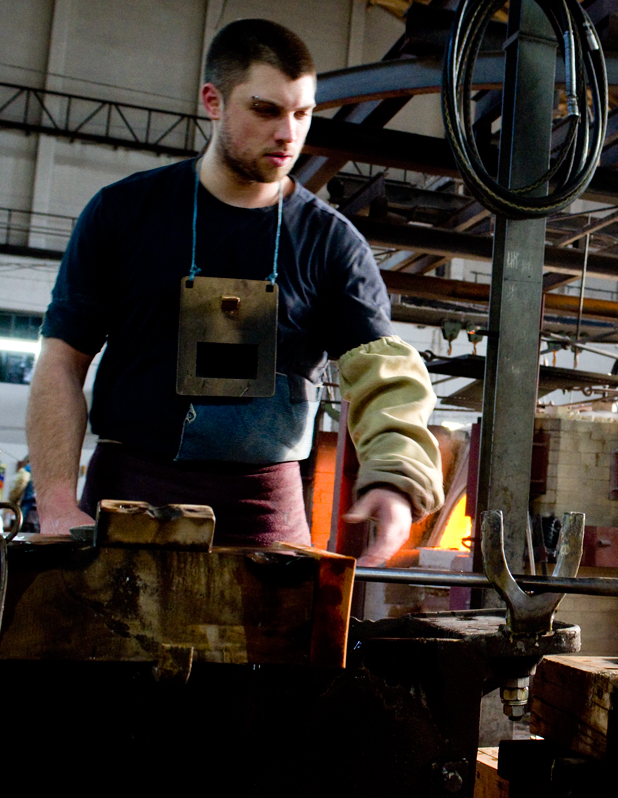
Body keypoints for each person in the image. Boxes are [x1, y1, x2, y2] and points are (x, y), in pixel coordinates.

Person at [26, 19, 443, 564]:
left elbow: (383, 373)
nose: (289, 134)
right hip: (130, 501)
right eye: (266, 110)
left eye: (303, 113)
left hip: (264, 514)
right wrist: (56, 502)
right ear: (213, 101)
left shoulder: (332, 243)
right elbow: (61, 360)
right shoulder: (123, 213)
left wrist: (395, 475)